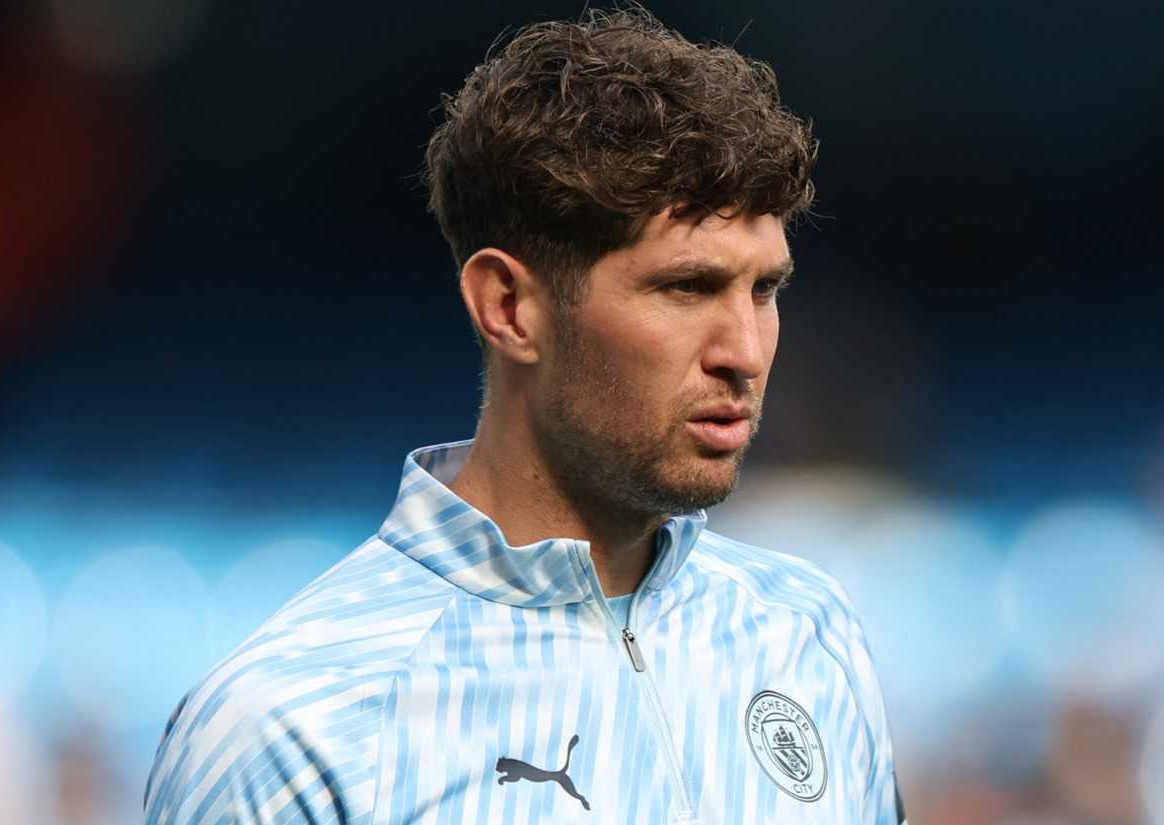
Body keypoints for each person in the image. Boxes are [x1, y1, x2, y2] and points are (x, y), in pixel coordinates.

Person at [144, 8, 903, 824]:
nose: (745, 351)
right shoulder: (292, 725)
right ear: (509, 306)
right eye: (687, 288)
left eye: (765, 290)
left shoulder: (808, 629)